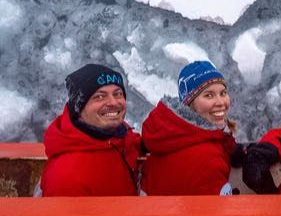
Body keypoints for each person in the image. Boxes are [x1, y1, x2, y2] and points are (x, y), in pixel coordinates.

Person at [38, 64, 141, 196]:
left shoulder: (115, 138)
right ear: (79, 108)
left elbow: (134, 142)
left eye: (118, 94)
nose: (113, 102)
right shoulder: (68, 179)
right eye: (100, 96)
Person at [139, 61, 239, 195]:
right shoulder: (209, 159)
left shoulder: (165, 137)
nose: (221, 102)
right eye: (208, 95)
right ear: (189, 104)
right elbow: (217, 213)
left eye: (223, 93)